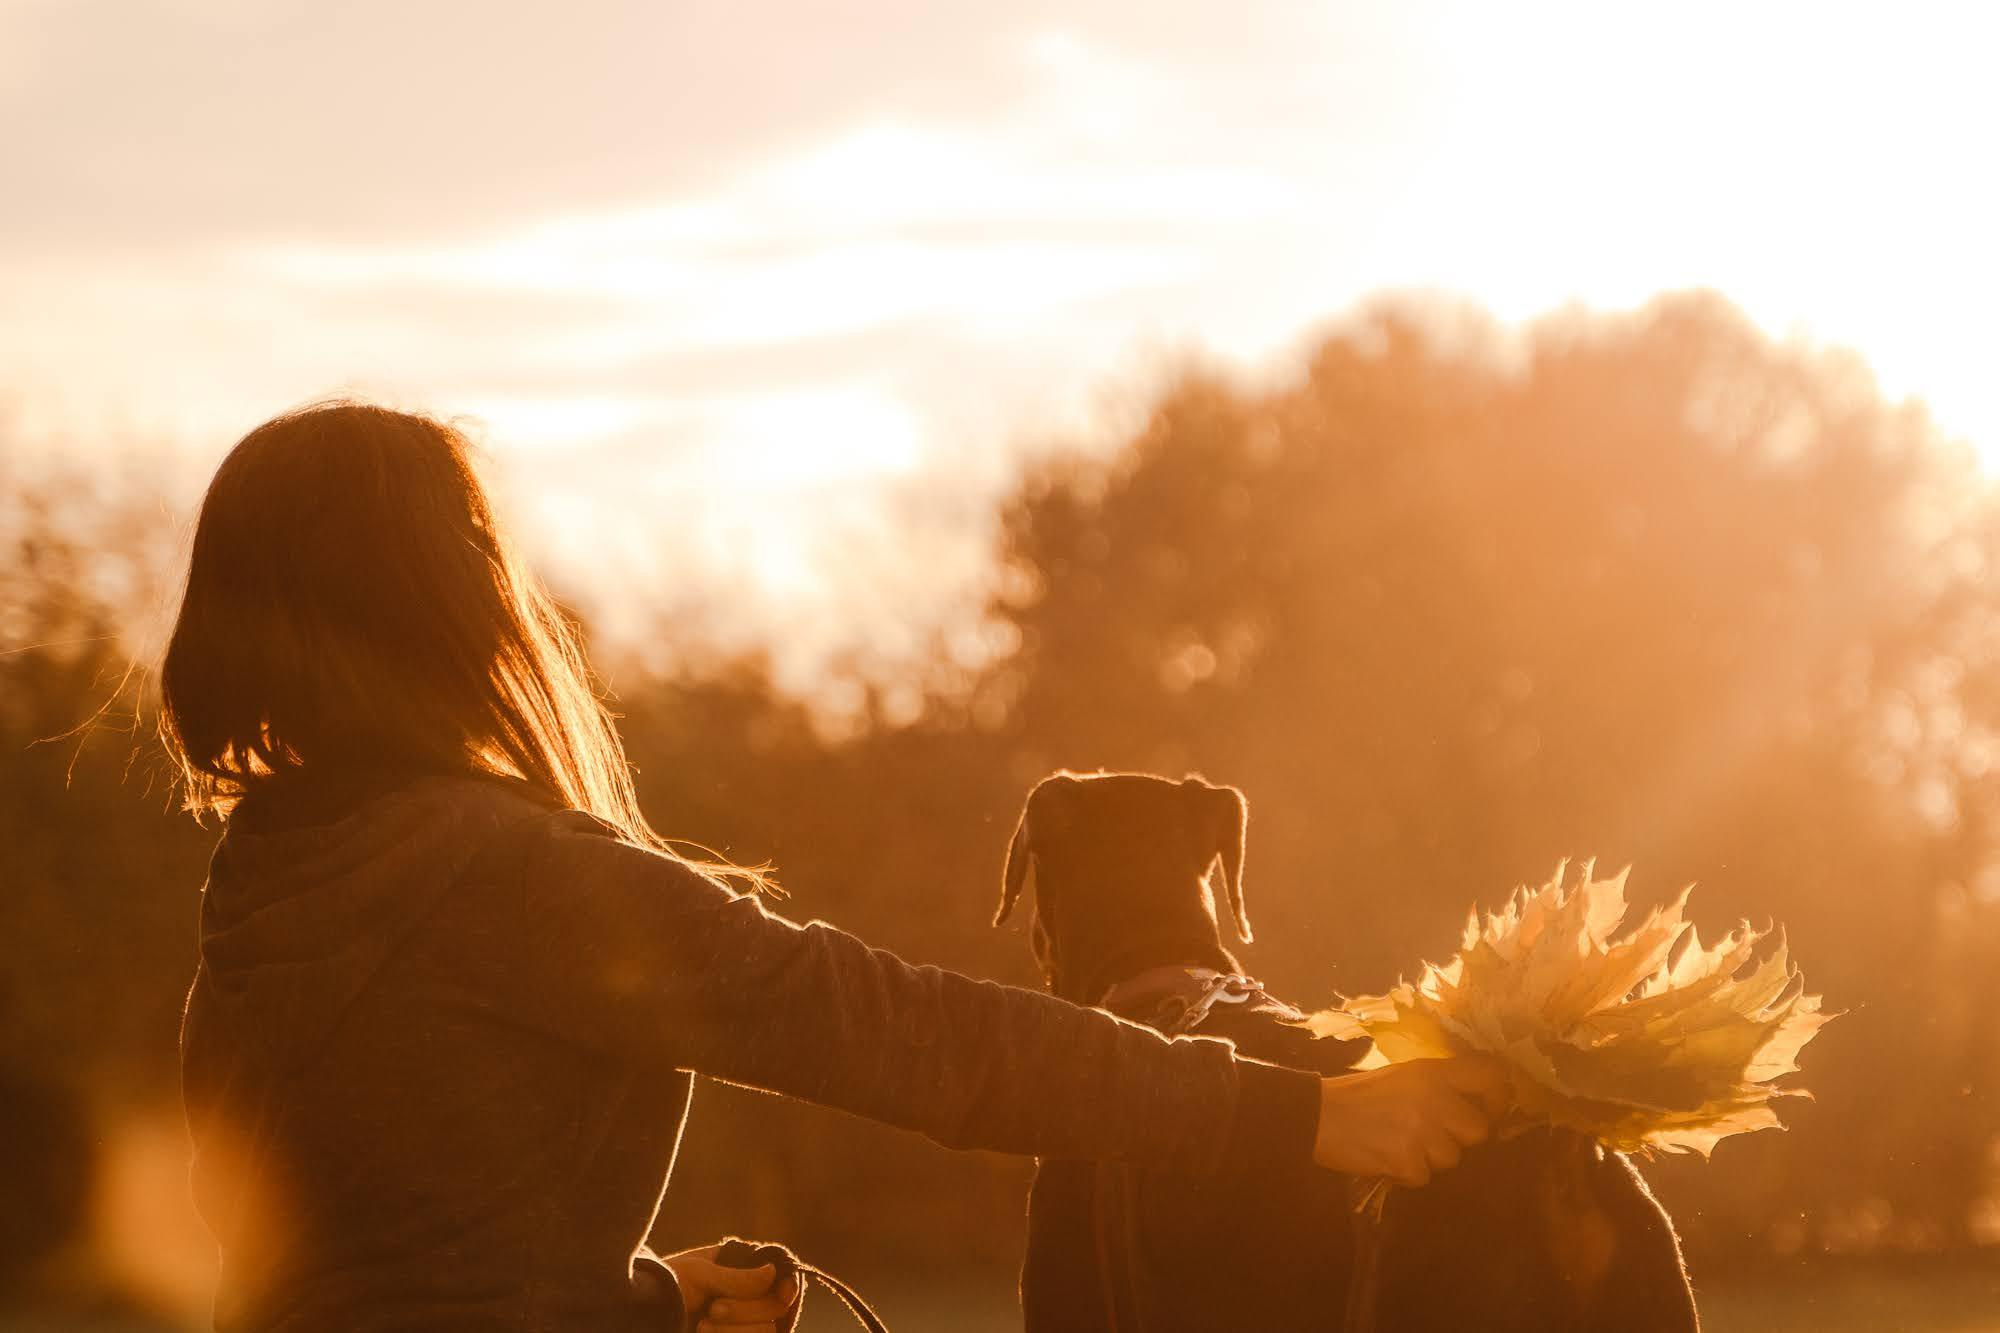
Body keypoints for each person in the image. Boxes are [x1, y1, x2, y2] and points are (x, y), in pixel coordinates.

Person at [160, 402, 1508, 1333]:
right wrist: (1299, 1115)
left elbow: (364, 1270)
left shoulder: (262, 897)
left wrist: (651, 1298)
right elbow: (896, 1030)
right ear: (453, 605)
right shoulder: (507, 874)